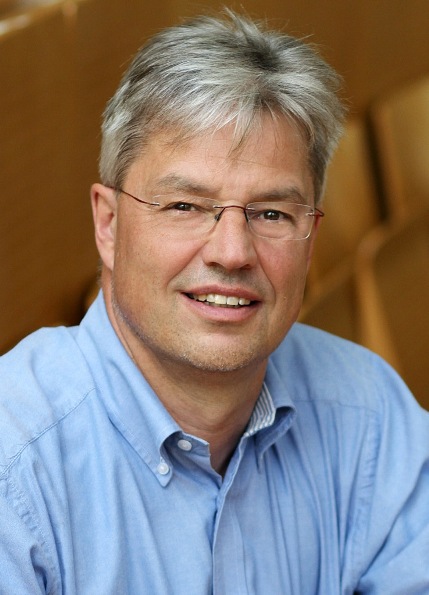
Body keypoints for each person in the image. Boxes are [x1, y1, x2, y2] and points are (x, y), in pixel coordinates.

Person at [1, 10, 428, 594]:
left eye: (271, 213)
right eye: (185, 207)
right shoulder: (16, 470)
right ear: (108, 223)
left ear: (311, 239)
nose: (232, 252)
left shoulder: (368, 414)